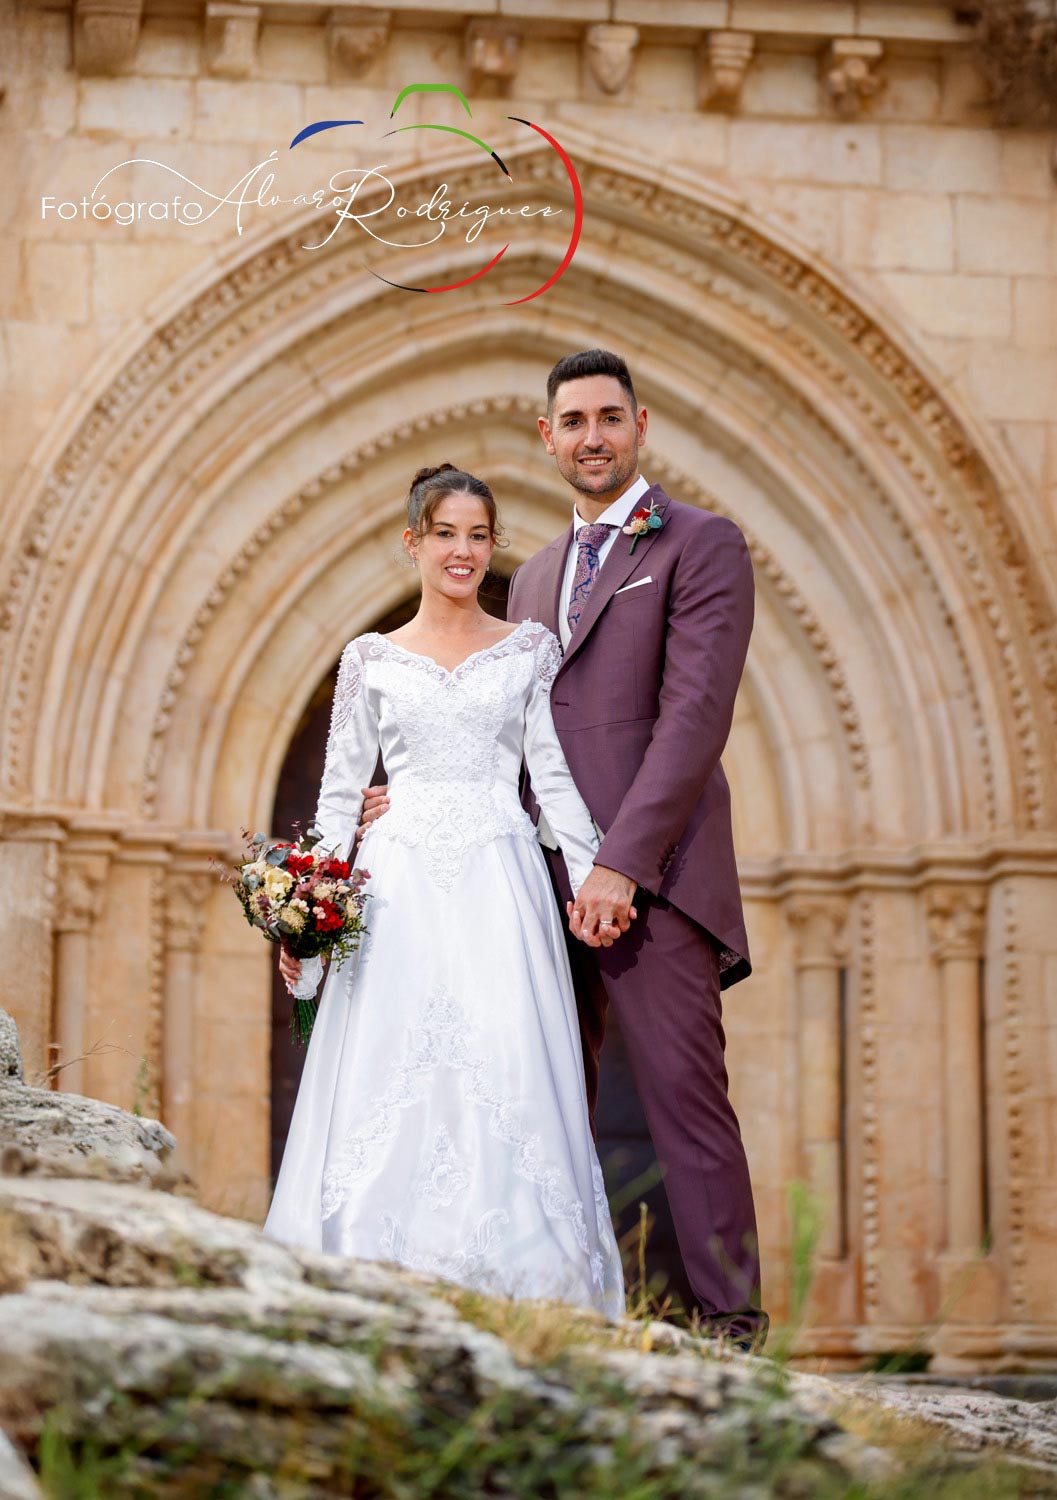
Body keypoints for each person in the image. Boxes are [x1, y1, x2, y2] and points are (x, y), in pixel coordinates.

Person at [360, 351, 767, 1348]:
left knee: (682, 1099)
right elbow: (516, 733)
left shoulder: (700, 545)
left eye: (608, 418)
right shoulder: (535, 573)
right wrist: (409, 794)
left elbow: (691, 720)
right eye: (572, 421)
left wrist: (619, 865)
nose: (591, 436)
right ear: (547, 438)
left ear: (639, 426)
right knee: (536, 1099)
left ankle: (731, 1327)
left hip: (652, 883)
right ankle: (564, 1315)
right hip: (531, 883)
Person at [265, 463, 625, 1319]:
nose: (462, 551)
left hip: (499, 884)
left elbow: (555, 776)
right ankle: (369, 1270)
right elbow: (337, 798)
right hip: (396, 893)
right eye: (445, 534)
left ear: (490, 544)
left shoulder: (526, 649)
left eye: (476, 535)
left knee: (504, 1054)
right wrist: (306, 913)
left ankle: (531, 1284)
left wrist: (590, 877)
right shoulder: (371, 660)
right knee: (396, 1056)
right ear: (414, 542)